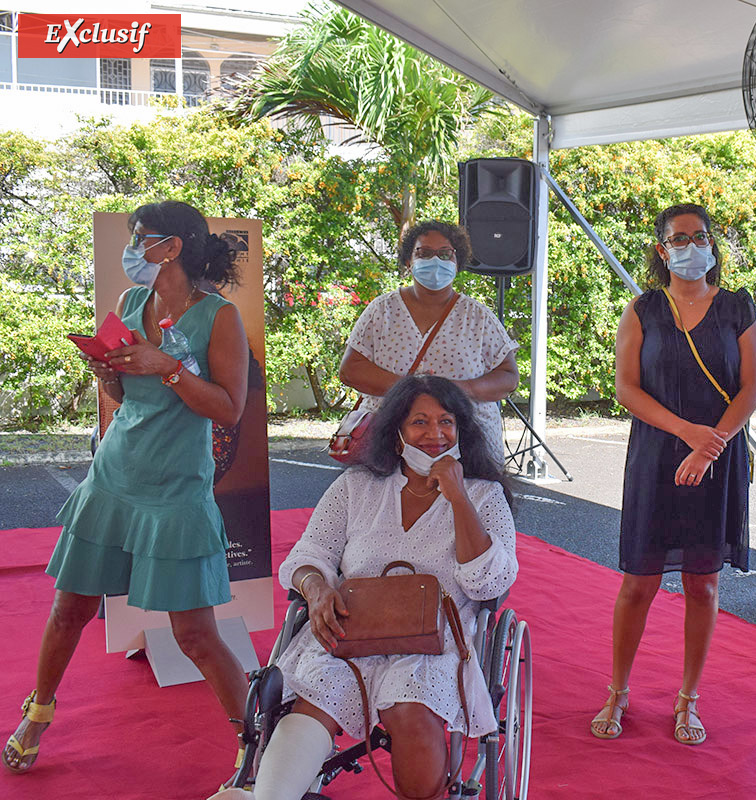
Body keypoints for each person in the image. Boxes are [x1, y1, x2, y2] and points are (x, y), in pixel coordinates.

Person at [3, 200, 250, 776]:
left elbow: (229, 410)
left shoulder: (219, 317)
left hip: (176, 490)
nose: (133, 246)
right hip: (113, 477)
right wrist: (108, 372)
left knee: (196, 636)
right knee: (69, 609)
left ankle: (255, 741)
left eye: (142, 237)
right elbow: (123, 397)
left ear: (175, 246)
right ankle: (38, 710)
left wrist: (166, 366)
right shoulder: (130, 301)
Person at [241, 375, 518, 800]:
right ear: (396, 434)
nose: (435, 434)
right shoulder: (357, 488)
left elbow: (489, 582)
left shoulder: (484, 495)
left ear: (461, 431)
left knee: (408, 706)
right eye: (419, 422)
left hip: (437, 640)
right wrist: (316, 589)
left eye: (446, 422)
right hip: (353, 629)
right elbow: (308, 554)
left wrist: (458, 496)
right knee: (318, 698)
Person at [591, 203, 756, 746]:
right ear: (662, 249)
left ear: (712, 245)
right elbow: (627, 389)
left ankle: (688, 698)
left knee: (702, 583)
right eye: (679, 238)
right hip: (656, 456)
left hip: (718, 457)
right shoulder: (642, 309)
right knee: (638, 581)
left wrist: (708, 447)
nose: (691, 246)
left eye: (700, 236)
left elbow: (751, 389)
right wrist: (687, 432)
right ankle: (618, 690)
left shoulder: (738, 307)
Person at [339, 220, 519, 462]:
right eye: (423, 253)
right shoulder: (381, 310)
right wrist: (411, 392)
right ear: (408, 261)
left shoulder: (478, 316)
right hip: (388, 445)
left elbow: (508, 376)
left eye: (445, 254)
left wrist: (460, 391)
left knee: (463, 500)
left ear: (458, 263)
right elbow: (351, 370)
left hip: (467, 449)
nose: (436, 261)